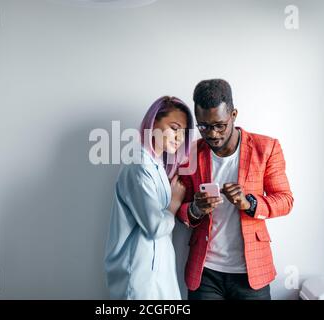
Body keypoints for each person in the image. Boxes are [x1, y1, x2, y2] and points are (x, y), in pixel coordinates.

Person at [177, 79, 294, 300]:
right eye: (203, 126)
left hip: (251, 272)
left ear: (233, 115)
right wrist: (194, 209)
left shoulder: (266, 148)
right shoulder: (189, 154)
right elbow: (178, 208)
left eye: (219, 125)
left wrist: (250, 203)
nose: (211, 134)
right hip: (205, 273)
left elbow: (286, 200)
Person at [104, 96, 194, 299]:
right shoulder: (139, 166)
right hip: (140, 276)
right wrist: (173, 204)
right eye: (174, 127)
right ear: (153, 124)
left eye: (183, 131)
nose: (180, 137)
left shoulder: (157, 166)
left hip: (156, 272)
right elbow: (154, 227)